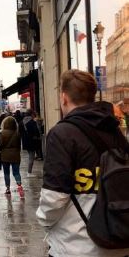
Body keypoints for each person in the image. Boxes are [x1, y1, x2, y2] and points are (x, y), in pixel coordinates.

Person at [36, 69, 129, 257]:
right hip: (118, 242)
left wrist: (44, 219)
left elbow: (55, 197)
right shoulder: (115, 131)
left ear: (63, 97)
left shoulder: (61, 134)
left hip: (75, 245)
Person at [0, 116, 24, 197]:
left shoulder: (2, 133)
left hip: (5, 155)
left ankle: (8, 189)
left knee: (6, 173)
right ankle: (19, 186)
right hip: (15, 155)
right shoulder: (17, 133)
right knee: (16, 172)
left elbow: (0, 145)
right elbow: (19, 145)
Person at [22, 109, 40, 176]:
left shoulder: (23, 121)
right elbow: (35, 132)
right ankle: (29, 172)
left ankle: (29, 172)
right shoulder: (32, 122)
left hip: (25, 141)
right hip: (32, 142)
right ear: (31, 114)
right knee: (31, 157)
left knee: (30, 156)